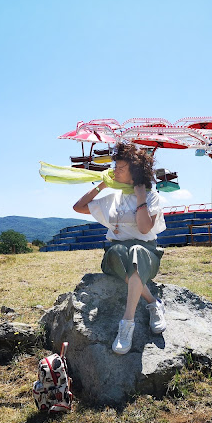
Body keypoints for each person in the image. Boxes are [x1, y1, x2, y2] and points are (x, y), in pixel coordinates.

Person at [73, 142, 167, 355]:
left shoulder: (151, 197)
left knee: (137, 252)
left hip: (146, 253)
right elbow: (78, 207)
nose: (114, 171)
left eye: (120, 169)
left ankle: (127, 323)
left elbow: (144, 230)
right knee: (120, 253)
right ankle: (153, 302)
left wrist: (141, 197)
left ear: (134, 173)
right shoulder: (113, 198)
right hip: (116, 254)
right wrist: (101, 186)